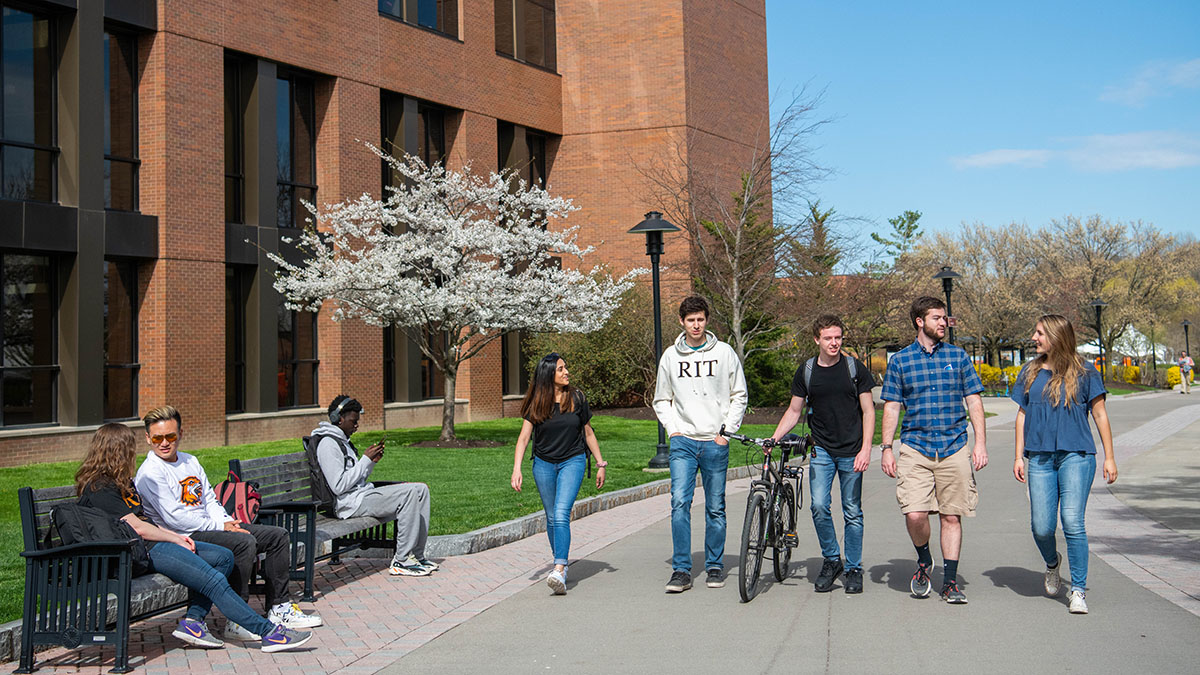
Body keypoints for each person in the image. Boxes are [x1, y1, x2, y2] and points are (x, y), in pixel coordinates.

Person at [76, 424, 312, 652]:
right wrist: (176, 539)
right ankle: (269, 633)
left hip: (153, 544)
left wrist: (173, 536)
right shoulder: (100, 488)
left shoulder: (120, 482)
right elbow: (138, 527)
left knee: (223, 558)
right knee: (212, 579)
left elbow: (146, 522)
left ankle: (193, 622)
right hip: (139, 553)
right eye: (129, 448)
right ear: (117, 451)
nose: (133, 454)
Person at [135, 406, 322, 642]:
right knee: (243, 542)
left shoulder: (189, 460)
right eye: (157, 438)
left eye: (170, 436)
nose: (164, 443)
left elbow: (209, 499)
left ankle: (279, 607)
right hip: (184, 535)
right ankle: (236, 621)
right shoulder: (150, 472)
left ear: (181, 434)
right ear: (147, 438)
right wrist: (220, 526)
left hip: (209, 526)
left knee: (277, 536)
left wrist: (226, 521)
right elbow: (175, 517)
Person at [880, 296, 987, 605]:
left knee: (952, 516)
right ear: (920, 321)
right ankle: (924, 560)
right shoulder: (900, 361)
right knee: (915, 513)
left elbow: (974, 401)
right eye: (938, 318)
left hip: (954, 446)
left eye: (944, 318)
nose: (944, 323)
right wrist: (887, 448)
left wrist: (980, 442)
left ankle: (950, 582)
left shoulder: (959, 356)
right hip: (915, 448)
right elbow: (892, 407)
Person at [1012, 315, 1117, 614]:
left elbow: (1099, 415)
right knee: (1042, 527)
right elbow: (1022, 415)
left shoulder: (1085, 372)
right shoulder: (1030, 371)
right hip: (1040, 458)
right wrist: (1018, 455)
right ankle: (1052, 562)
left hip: (1077, 456)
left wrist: (1109, 456)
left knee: (1072, 521)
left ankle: (1079, 590)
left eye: (1040, 333)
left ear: (1057, 337)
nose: (1034, 337)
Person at [768, 315, 874, 594]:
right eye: (828, 338)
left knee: (852, 511)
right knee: (818, 506)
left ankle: (853, 568)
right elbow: (794, 411)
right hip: (822, 450)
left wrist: (866, 449)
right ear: (817, 339)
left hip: (852, 451)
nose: (834, 343)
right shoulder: (807, 372)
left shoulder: (854, 368)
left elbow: (869, 411)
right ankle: (831, 559)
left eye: (838, 337)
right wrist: (774, 438)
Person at [653, 295, 748, 593]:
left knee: (715, 506)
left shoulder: (724, 353)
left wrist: (725, 432)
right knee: (679, 502)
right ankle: (681, 569)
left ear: (707, 320)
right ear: (682, 322)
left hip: (714, 441)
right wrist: (674, 430)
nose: (696, 325)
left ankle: (715, 564)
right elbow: (661, 399)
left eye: (701, 319)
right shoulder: (670, 357)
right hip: (683, 442)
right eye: (690, 320)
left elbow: (739, 395)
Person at [511, 353, 608, 595]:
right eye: (561, 369)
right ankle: (560, 563)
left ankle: (560, 568)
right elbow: (524, 438)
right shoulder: (536, 401)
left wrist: (600, 463)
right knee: (552, 516)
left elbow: (588, 432)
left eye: (566, 367)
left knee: (562, 513)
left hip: (572, 461)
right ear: (548, 375)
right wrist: (517, 469)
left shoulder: (577, 397)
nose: (567, 372)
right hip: (543, 464)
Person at [313, 395, 436, 577]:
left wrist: (370, 463)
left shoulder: (342, 442)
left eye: (357, 421)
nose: (357, 425)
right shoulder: (328, 444)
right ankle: (401, 560)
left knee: (421, 489)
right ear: (339, 418)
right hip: (348, 505)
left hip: (360, 497)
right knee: (409, 493)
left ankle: (416, 556)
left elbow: (355, 478)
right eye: (353, 421)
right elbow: (339, 486)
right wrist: (364, 460)